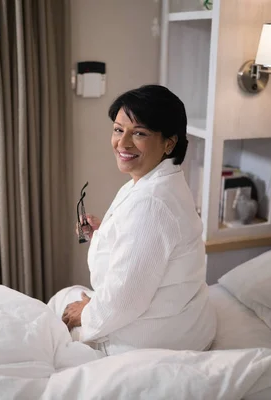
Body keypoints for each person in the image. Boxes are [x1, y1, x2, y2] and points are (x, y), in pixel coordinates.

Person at [48, 85, 216, 356]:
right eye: (118, 129)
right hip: (182, 319)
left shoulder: (152, 203)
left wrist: (88, 314)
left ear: (168, 142)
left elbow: (124, 300)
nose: (122, 143)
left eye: (139, 133)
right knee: (66, 299)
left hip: (154, 340)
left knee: (60, 307)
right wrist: (106, 231)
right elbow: (145, 245)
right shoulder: (157, 181)